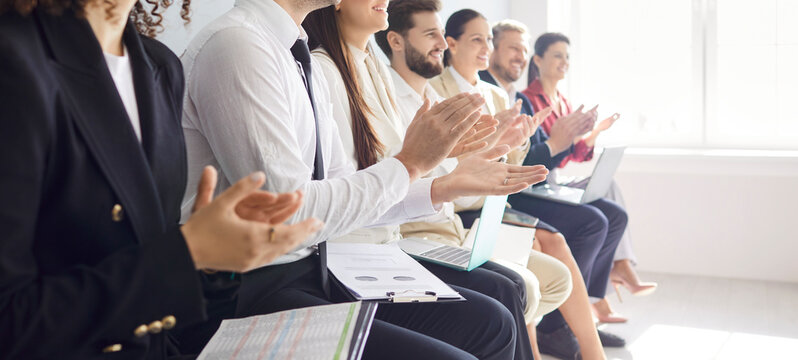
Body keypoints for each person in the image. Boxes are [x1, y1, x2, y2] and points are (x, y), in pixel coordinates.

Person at [180, 0, 539, 358]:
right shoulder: (239, 45)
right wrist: (411, 164)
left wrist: (440, 183)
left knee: (492, 321)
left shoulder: (295, 53)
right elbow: (287, 213)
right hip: (250, 285)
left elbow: (343, 185)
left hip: (310, 267)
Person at [0, 0, 323, 357]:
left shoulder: (158, 66)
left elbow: (159, 281)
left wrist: (215, 262)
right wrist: (189, 253)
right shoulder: (14, 63)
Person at [305, 1, 555, 358]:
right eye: (432, 34)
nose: (442, 42)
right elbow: (358, 186)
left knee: (510, 285)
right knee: (499, 306)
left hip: (397, 236)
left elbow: (399, 168)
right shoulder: (327, 72)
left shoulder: (371, 68)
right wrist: (443, 174)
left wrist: (459, 162)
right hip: (368, 249)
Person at [375, 2, 580, 359]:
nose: (440, 42)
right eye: (432, 34)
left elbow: (463, 168)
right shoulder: (398, 95)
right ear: (395, 40)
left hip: (458, 220)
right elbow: (428, 175)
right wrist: (497, 148)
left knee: (551, 277)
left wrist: (506, 144)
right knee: (519, 285)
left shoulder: (445, 96)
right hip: (431, 225)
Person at [524, 32, 657, 322]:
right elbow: (542, 154)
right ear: (538, 60)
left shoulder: (563, 102)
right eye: (557, 55)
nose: (564, 62)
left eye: (567, 56)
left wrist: (596, 132)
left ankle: (602, 290)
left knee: (610, 193)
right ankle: (604, 289)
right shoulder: (529, 101)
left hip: (554, 179)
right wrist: (564, 140)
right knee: (599, 216)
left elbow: (575, 154)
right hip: (538, 183)